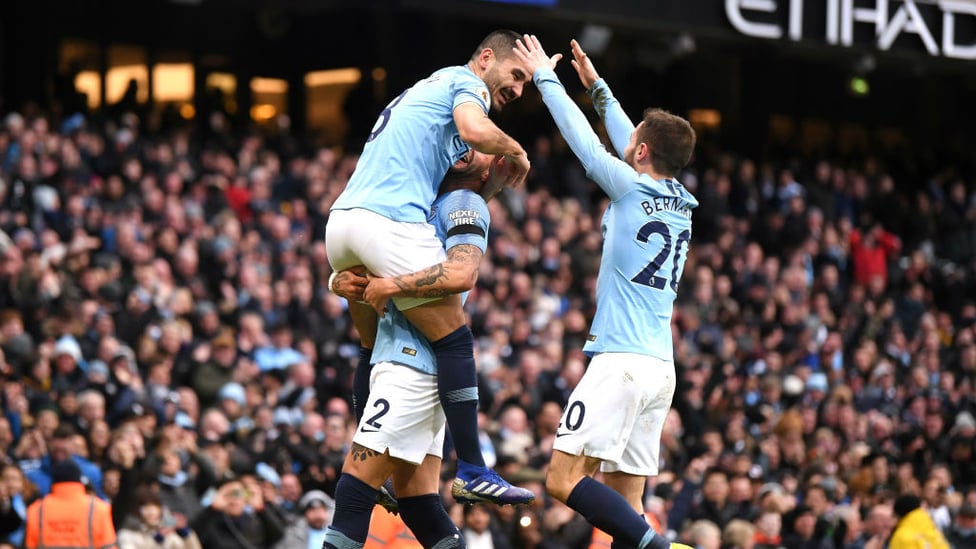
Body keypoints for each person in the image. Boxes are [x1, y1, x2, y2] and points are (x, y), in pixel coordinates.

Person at [325, 29, 534, 505]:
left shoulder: (422, 90)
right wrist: (516, 149)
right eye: (516, 76)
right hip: (388, 222)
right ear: (485, 58)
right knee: (455, 337)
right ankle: (475, 467)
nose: (517, 90)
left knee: (366, 342)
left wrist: (351, 279)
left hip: (342, 222)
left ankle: (375, 471)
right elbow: (474, 131)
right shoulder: (466, 84)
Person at [511, 35, 697, 549]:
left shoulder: (632, 186)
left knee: (561, 479)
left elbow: (588, 146)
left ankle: (659, 546)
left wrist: (546, 79)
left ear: (640, 151)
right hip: (661, 368)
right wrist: (597, 90)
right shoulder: (681, 198)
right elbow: (628, 141)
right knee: (626, 506)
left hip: (621, 362)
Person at [325, 149, 512, 549]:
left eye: (481, 150)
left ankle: (475, 466)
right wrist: (342, 284)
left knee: (353, 492)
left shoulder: (465, 202)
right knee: (419, 505)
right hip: (405, 358)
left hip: (413, 365)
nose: (466, 147)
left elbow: (464, 273)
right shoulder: (419, 203)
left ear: (487, 173)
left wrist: (393, 285)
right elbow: (369, 312)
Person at [24, 459, 118, 549]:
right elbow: (109, 546)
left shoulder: (36, 510)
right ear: (79, 480)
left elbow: (29, 545)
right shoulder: (99, 508)